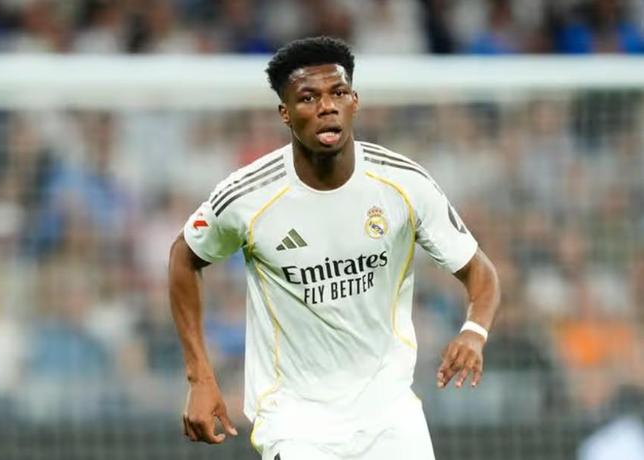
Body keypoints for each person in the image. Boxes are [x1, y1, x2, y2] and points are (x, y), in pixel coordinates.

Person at [168, 36, 500, 460]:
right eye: (308, 98)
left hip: (389, 414)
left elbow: (479, 270)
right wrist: (199, 377)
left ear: (354, 102)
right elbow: (184, 256)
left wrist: (474, 332)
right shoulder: (249, 195)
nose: (327, 106)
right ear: (285, 113)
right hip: (295, 422)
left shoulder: (404, 183)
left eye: (338, 93)